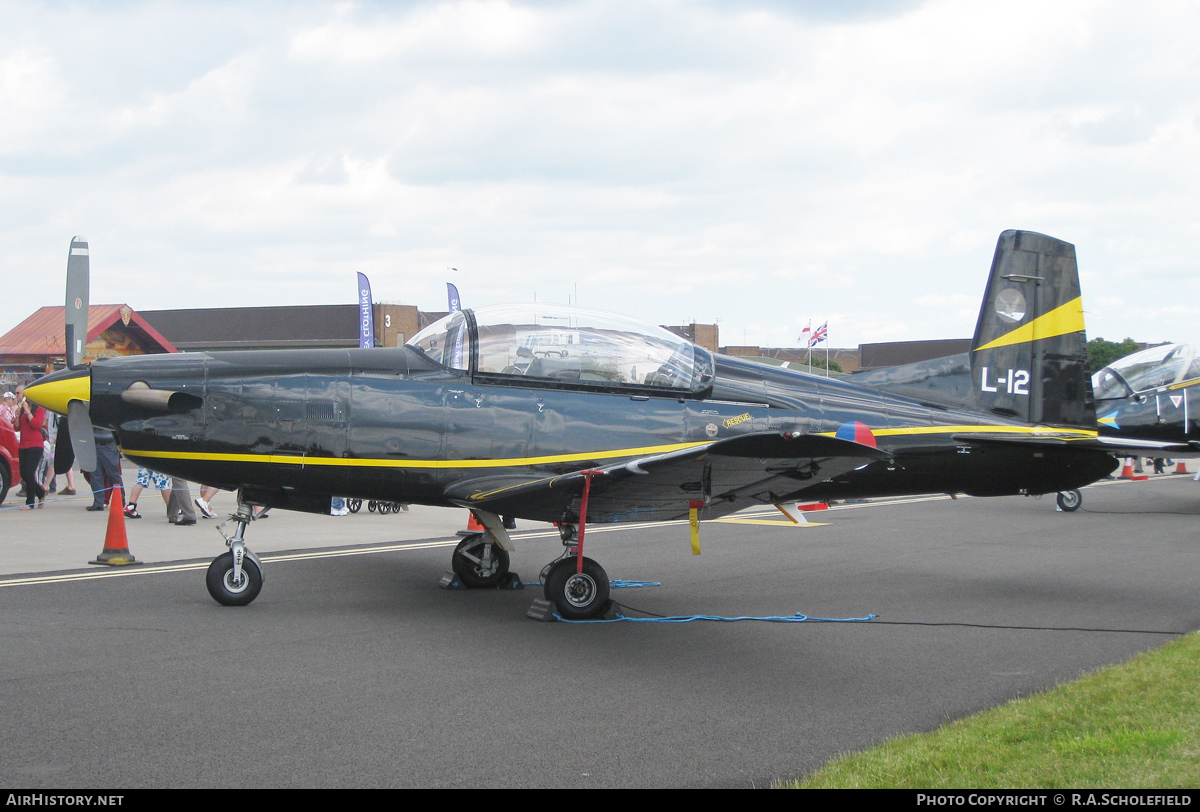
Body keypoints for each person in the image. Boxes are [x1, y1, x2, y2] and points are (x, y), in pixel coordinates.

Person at [12, 383, 47, 509]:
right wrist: (17, 417)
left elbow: (37, 426)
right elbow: (17, 427)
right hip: (23, 445)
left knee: (29, 472)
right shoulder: (21, 408)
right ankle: (40, 492)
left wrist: (28, 412)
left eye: (18, 393)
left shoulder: (38, 408)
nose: (17, 396)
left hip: (35, 445)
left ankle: (30, 502)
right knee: (24, 473)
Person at [85, 427, 124, 511]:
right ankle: (98, 503)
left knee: (113, 475)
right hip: (94, 444)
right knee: (95, 476)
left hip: (109, 445)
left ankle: (121, 502)